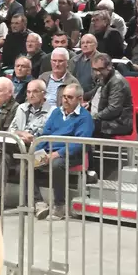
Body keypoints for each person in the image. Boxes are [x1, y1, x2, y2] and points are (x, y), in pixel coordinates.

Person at [34, 84, 95, 221]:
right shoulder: (56, 113)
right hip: (50, 151)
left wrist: (57, 154)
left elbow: (79, 142)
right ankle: (39, 203)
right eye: (64, 96)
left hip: (72, 154)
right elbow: (46, 134)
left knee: (57, 164)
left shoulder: (85, 118)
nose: (65, 100)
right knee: (27, 162)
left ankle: (60, 206)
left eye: (70, 97)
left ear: (79, 99)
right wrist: (37, 151)